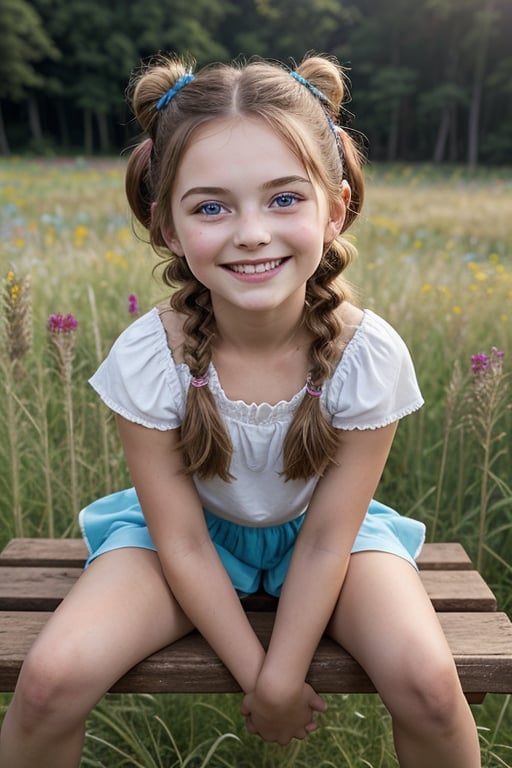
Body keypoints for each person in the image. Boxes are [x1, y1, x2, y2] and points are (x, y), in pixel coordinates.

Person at [0, 53, 480, 768]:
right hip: (185, 543)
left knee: (432, 688)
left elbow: (326, 542)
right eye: (211, 206)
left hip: (325, 542)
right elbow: (184, 543)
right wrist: (261, 679)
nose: (250, 232)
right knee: (46, 684)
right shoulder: (150, 354)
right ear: (166, 225)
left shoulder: (366, 354)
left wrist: (285, 673)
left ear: (335, 207)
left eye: (284, 199)